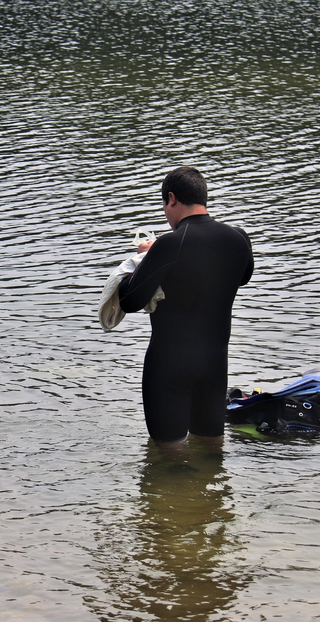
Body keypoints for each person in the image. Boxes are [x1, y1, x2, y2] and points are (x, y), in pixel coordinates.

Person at [118, 167, 254, 446]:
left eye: (165, 206)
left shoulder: (169, 244)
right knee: (211, 446)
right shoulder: (238, 238)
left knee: (167, 454)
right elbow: (243, 277)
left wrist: (144, 259)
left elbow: (130, 300)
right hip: (215, 365)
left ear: (171, 199)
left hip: (169, 367)